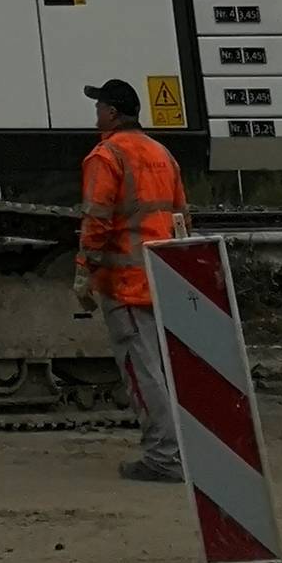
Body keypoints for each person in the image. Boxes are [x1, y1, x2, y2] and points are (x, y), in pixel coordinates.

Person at [77, 77, 188, 484]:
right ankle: (179, 448)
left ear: (111, 112)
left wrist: (83, 272)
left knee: (143, 374)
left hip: (125, 283)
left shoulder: (105, 156)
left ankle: (163, 457)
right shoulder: (162, 154)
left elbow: (96, 222)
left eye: (99, 107)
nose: (96, 114)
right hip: (161, 276)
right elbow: (180, 220)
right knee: (160, 368)